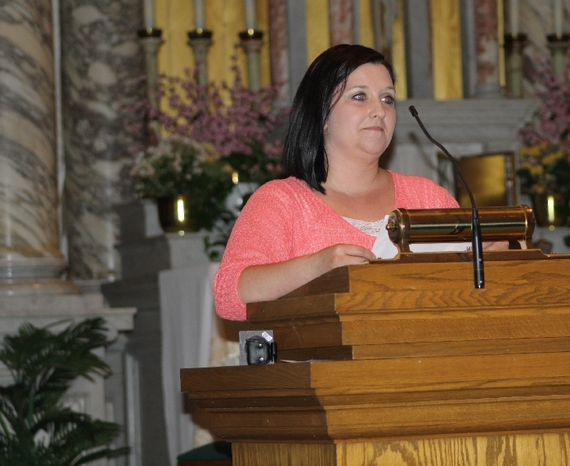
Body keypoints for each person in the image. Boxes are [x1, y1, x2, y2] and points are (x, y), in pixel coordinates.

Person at [213, 44, 502, 321]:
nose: (380, 110)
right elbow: (229, 296)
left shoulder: (427, 196)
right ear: (322, 113)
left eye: (387, 99)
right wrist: (317, 266)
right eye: (360, 96)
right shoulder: (281, 201)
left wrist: (496, 261)